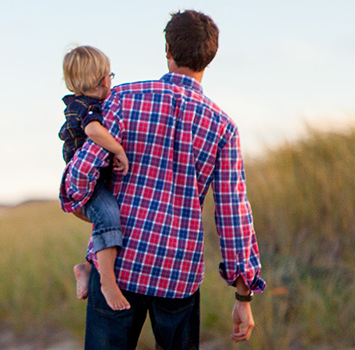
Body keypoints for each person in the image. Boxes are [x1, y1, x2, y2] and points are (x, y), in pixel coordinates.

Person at [59, 10, 266, 349]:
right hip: (178, 274)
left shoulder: (123, 99)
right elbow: (233, 214)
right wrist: (244, 297)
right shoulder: (223, 127)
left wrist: (82, 205)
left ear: (167, 49)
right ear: (210, 57)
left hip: (119, 265)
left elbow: (82, 171)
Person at [56, 45, 133, 311]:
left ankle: (86, 267)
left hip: (94, 180)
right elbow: (93, 131)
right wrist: (118, 148)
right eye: (111, 75)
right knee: (109, 216)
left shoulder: (86, 103)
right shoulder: (85, 107)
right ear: (103, 79)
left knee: (104, 219)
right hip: (86, 183)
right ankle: (107, 282)